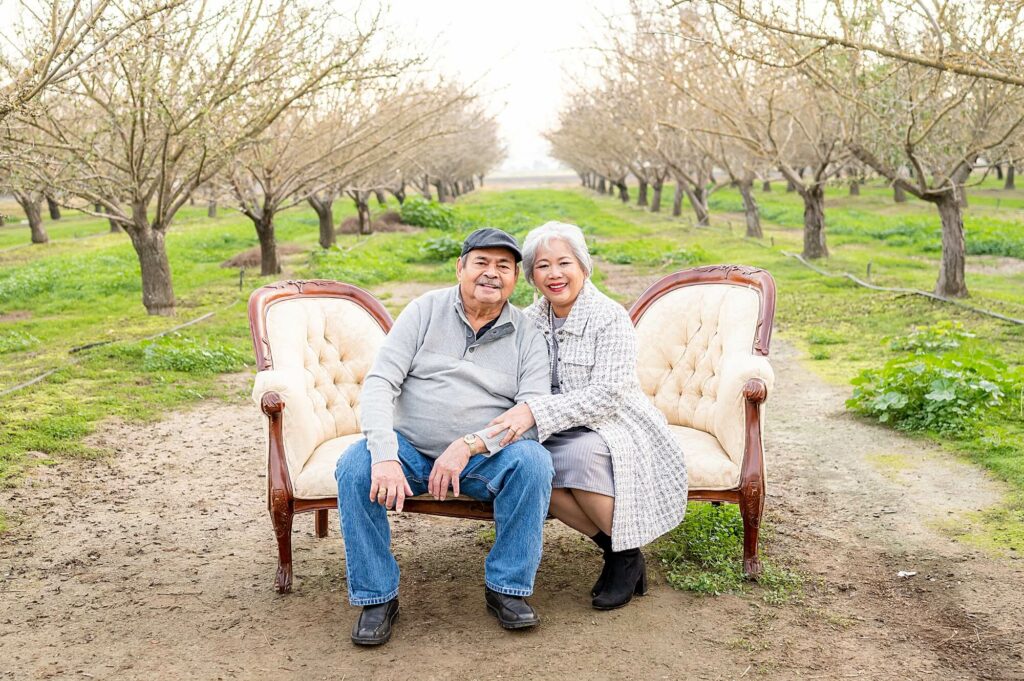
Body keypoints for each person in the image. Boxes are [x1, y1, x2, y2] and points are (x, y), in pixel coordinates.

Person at [334, 228, 554, 646]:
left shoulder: (527, 334)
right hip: (411, 450)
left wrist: (469, 444)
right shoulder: (424, 310)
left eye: (503, 267)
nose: (491, 274)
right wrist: (384, 455)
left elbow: (529, 413)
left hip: (485, 456)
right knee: (355, 466)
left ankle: (506, 589)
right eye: (481, 263)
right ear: (460, 268)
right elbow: (381, 382)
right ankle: (377, 596)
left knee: (534, 462)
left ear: (515, 278)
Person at [488, 221, 688, 610]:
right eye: (543, 266)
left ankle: (624, 556)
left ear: (583, 266)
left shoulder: (609, 317)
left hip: (614, 419)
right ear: (531, 275)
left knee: (579, 456)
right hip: (552, 424)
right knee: (534, 466)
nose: (554, 274)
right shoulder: (528, 321)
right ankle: (621, 553)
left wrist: (535, 411)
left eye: (564, 263)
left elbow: (607, 395)